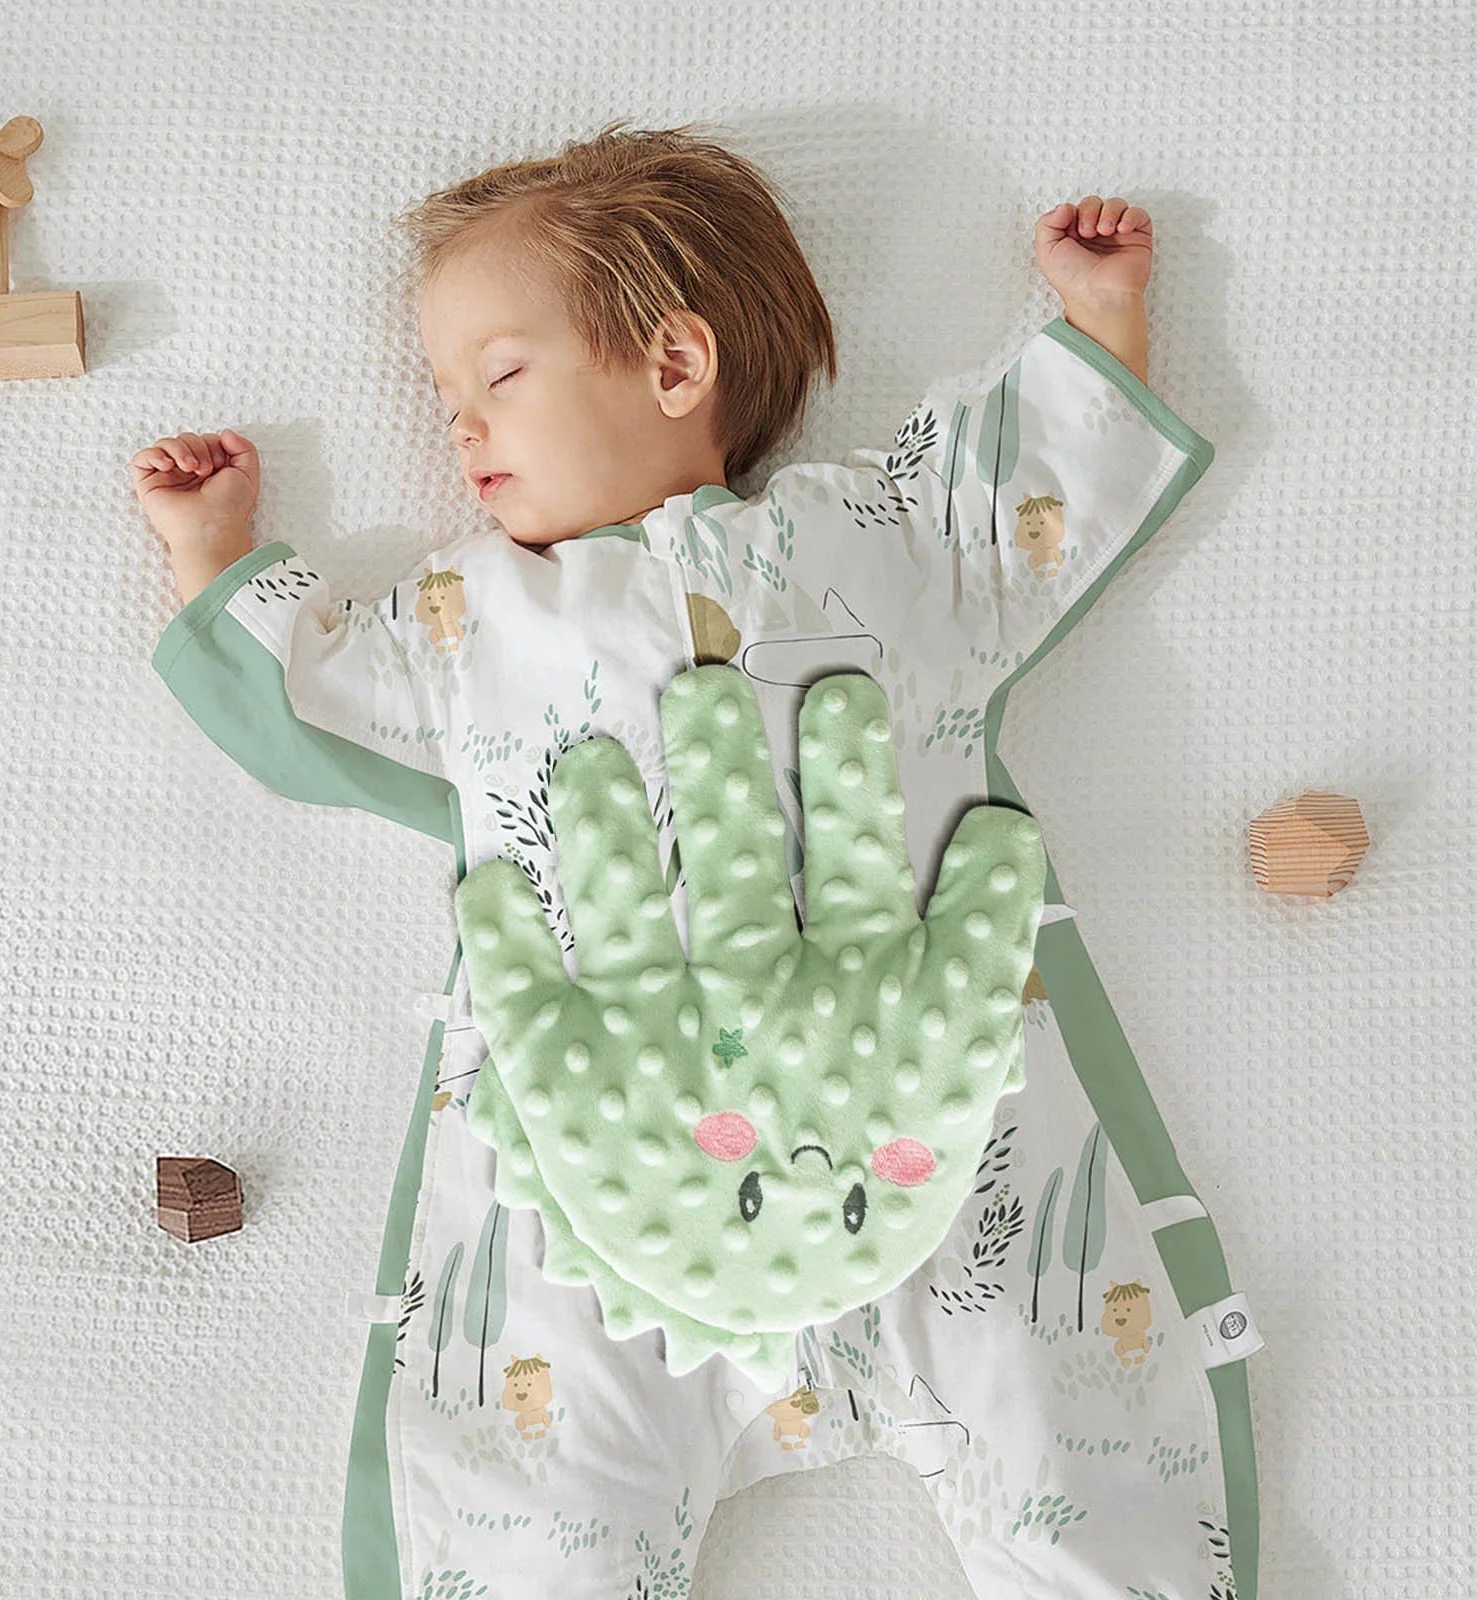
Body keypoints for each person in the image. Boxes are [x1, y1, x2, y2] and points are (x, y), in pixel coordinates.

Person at [130, 119, 1258, 1600]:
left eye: (497, 377)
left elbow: (1020, 507)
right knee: (536, 1492)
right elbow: (314, 703)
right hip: (617, 1195)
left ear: (674, 364)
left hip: (938, 1147)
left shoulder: (871, 541)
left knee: (1065, 1409)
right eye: (446, 396)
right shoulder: (476, 624)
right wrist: (213, 557)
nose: (459, 429)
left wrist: (1099, 324)